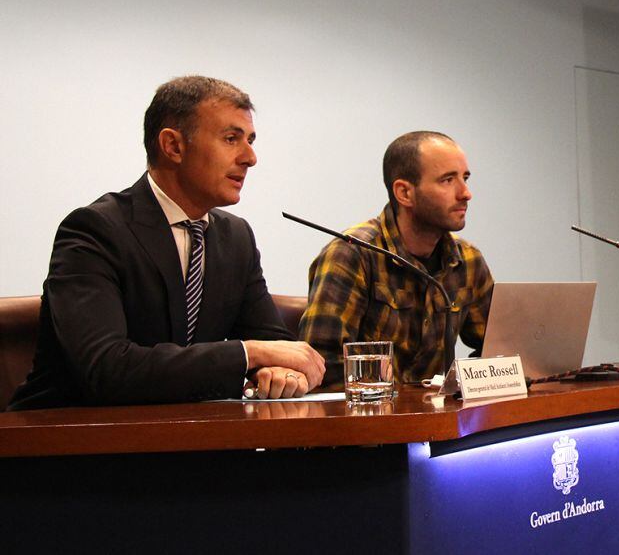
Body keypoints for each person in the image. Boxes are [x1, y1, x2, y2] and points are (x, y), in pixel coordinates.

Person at [7, 76, 325, 410]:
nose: (250, 157)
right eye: (231, 139)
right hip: (71, 442)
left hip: (189, 439)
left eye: (250, 140)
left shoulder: (236, 238)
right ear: (173, 146)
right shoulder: (95, 230)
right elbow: (107, 368)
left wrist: (282, 370)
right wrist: (250, 354)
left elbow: (274, 344)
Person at [299, 131, 494, 386]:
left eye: (465, 178)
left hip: (440, 421)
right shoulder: (352, 253)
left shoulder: (468, 261)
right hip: (369, 419)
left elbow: (497, 351)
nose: (466, 193)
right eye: (447, 180)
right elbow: (321, 367)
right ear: (404, 193)